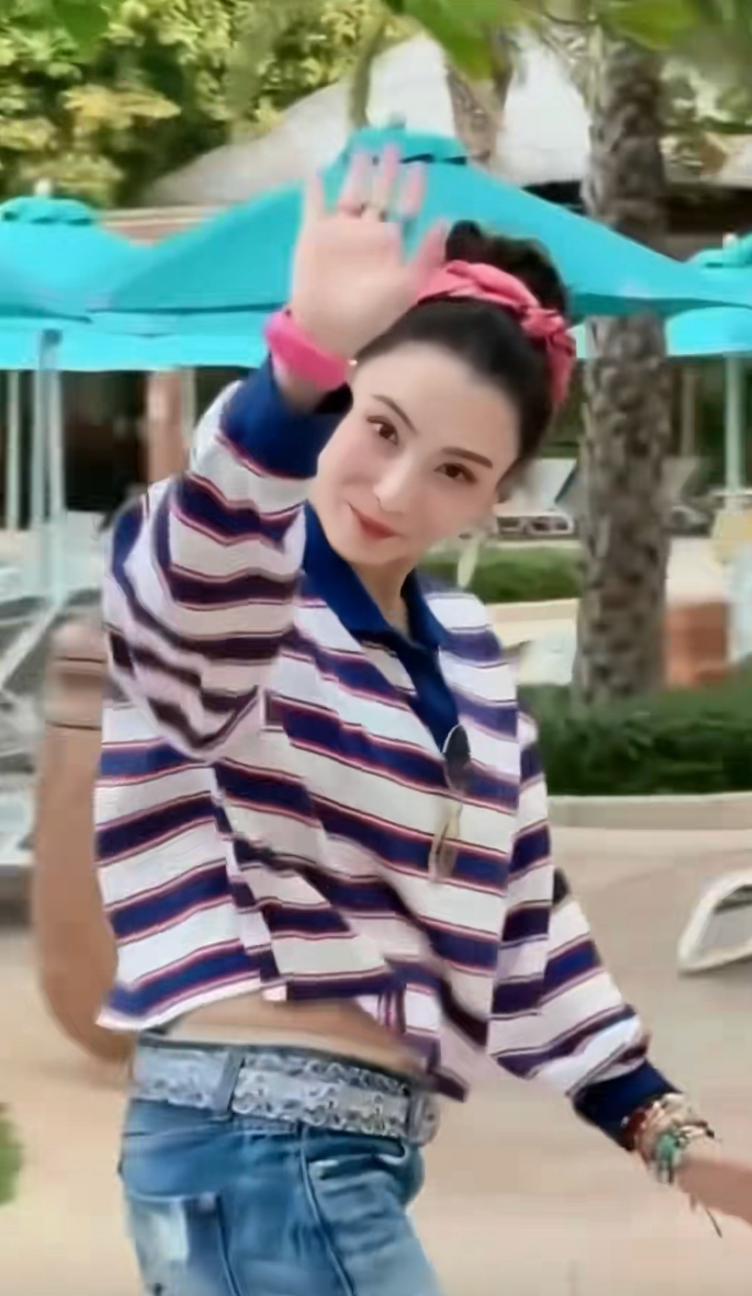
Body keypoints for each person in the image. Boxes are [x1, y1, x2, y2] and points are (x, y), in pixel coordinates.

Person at [95, 148, 752, 1295]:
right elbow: (199, 575)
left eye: (454, 471)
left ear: (495, 497)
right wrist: (296, 364)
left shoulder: (468, 662)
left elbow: (525, 933)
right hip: (258, 1140)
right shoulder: (238, 582)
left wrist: (672, 1141)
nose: (395, 492)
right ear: (334, 397)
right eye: (379, 427)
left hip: (334, 1158)